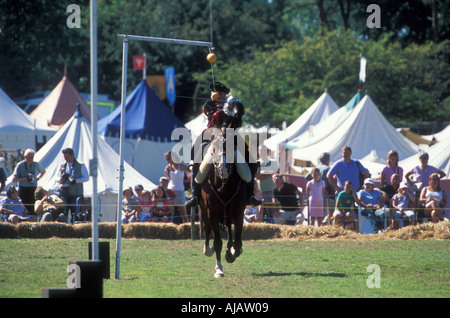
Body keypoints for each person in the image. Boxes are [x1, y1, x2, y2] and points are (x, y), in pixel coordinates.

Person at [185, 81, 260, 209]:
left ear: (225, 95)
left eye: (221, 93)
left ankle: (250, 195)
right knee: (199, 152)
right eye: (216, 93)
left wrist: (239, 112)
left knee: (250, 159)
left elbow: (237, 124)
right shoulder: (209, 104)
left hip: (230, 134)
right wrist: (228, 108)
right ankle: (195, 195)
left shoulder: (231, 104)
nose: (218, 95)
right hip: (212, 133)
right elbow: (215, 115)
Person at [12, 149, 46, 215]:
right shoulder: (20, 165)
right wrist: (26, 178)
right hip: (23, 189)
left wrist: (37, 178)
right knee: (23, 208)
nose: (31, 159)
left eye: (32, 157)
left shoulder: (35, 164)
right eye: (30, 157)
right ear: (25, 157)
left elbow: (43, 171)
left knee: (33, 207)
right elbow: (14, 179)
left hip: (33, 189)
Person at [58, 148, 89, 218]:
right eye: (64, 157)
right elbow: (56, 177)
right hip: (64, 192)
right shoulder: (62, 165)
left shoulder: (81, 165)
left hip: (76, 193)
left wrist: (76, 181)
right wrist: (61, 179)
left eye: (67, 157)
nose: (66, 159)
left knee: (75, 213)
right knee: (63, 212)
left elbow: (86, 177)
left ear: (72, 155)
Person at [306, 152, 334, 224]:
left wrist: (313, 182)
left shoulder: (316, 168)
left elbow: (306, 177)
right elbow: (331, 183)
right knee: (322, 214)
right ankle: (322, 226)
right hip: (324, 193)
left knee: (313, 215)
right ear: (327, 160)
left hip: (314, 195)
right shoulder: (327, 168)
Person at [255, 144, 279, 222]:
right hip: (260, 192)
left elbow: (276, 172)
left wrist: (263, 173)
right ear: (258, 151)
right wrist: (269, 173)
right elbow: (257, 176)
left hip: (271, 190)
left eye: (264, 150)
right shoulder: (257, 163)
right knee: (261, 211)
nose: (262, 152)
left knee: (272, 210)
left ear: (267, 151)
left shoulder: (273, 162)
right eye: (261, 150)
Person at [164, 151, 189, 223]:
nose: (168, 160)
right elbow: (168, 178)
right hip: (170, 189)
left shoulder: (180, 166)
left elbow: (192, 171)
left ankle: (187, 227)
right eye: (167, 159)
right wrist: (166, 171)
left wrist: (189, 179)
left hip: (180, 190)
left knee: (183, 212)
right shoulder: (169, 166)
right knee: (171, 211)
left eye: (169, 158)